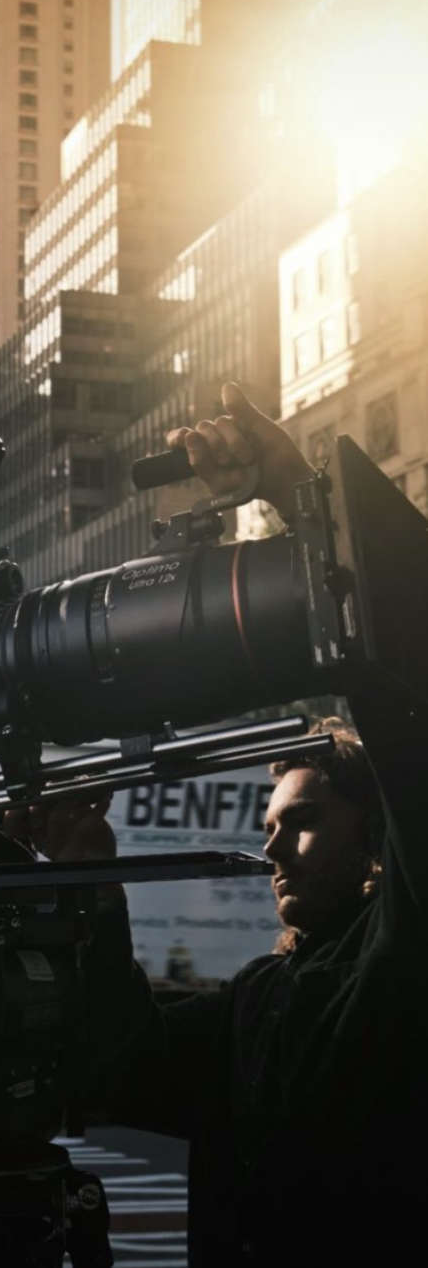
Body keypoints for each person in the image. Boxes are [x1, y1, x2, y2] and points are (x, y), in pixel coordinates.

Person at [35, 383, 428, 1266]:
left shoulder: (406, 963)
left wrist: (297, 495)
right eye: (272, 822)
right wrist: (94, 889)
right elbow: (124, 1069)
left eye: (307, 820)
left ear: (381, 840)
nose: (272, 845)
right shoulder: (258, 999)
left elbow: (414, 718)